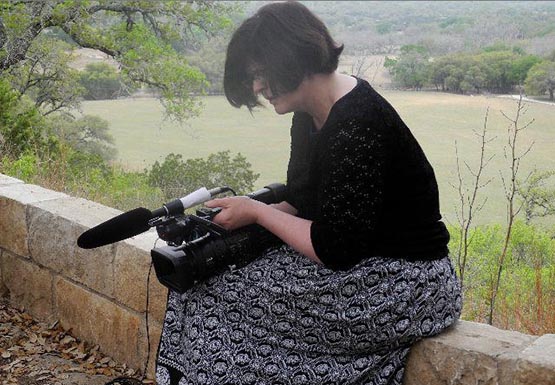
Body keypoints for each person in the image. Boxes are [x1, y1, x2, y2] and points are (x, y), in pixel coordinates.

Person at [155, 2, 462, 384]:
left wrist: (257, 212)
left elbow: (333, 246)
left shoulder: (357, 123)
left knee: (232, 294)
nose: (257, 88)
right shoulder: (310, 114)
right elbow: (303, 200)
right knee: (207, 274)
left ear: (292, 57)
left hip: (407, 284)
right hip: (362, 264)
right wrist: (231, 219)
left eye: (260, 75)